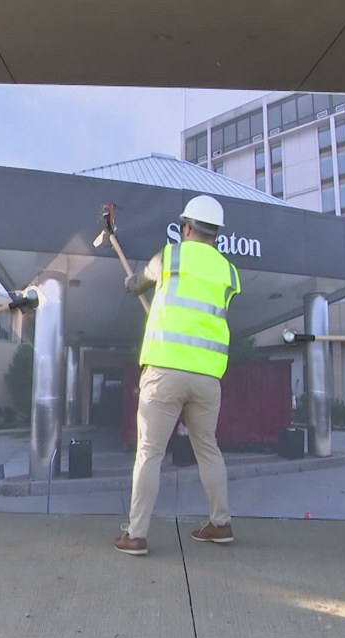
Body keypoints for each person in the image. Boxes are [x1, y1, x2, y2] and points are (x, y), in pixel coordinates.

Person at [114, 194, 242, 556]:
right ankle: (221, 524)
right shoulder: (229, 272)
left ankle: (136, 535)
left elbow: (137, 284)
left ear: (186, 227)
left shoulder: (170, 256)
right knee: (208, 449)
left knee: (150, 453)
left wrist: (132, 282)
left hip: (165, 370)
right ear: (215, 234)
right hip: (207, 377)